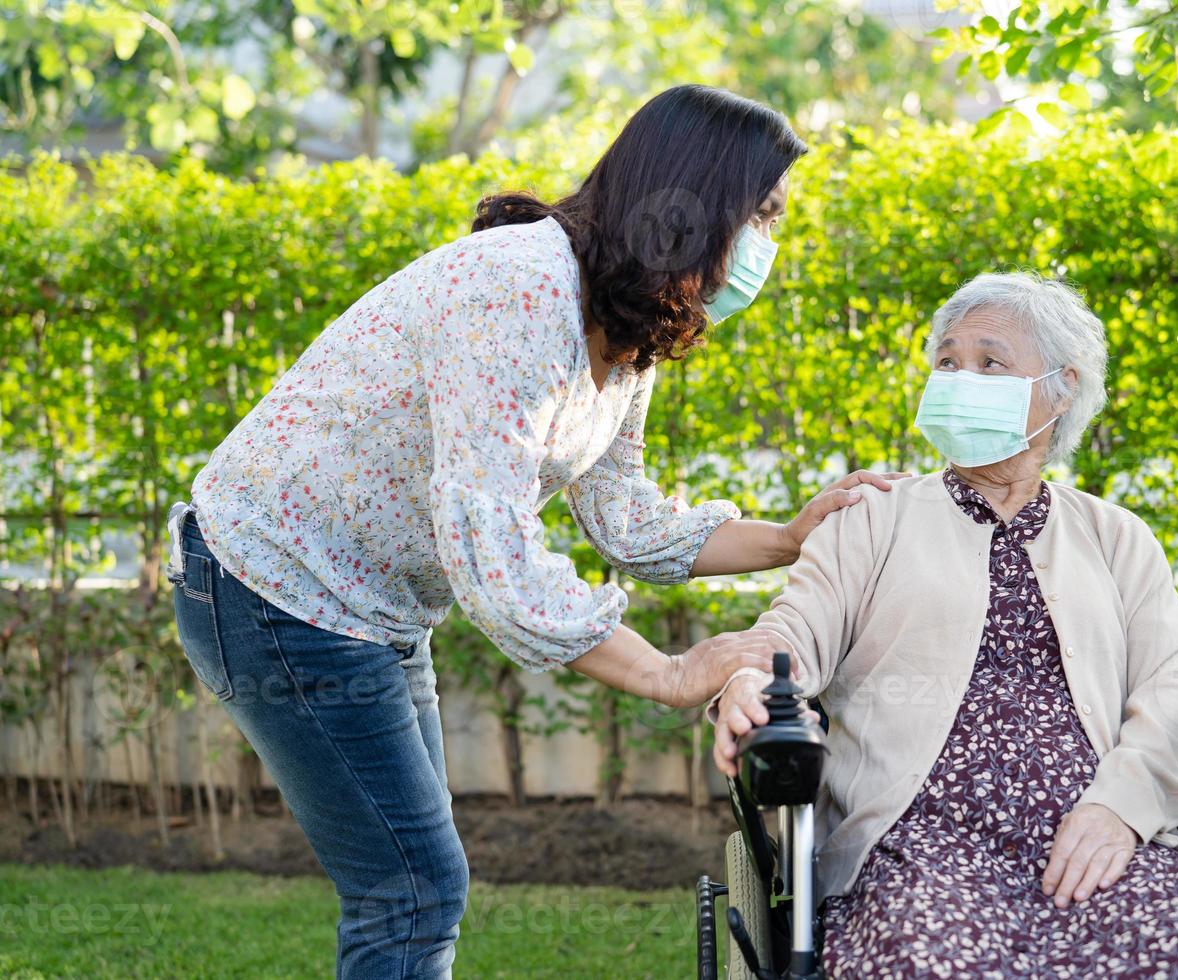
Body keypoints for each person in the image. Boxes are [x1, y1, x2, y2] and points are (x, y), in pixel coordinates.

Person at [166, 84, 903, 979]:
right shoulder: (521, 289)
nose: (765, 245)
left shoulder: (625, 324)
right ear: (693, 199)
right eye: (762, 214)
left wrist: (790, 536)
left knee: (415, 888)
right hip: (274, 591)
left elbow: (627, 520)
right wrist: (671, 674)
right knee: (412, 891)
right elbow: (496, 556)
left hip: (369, 607)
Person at [709, 272, 1178, 978]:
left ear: (1061, 390)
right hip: (918, 839)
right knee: (929, 957)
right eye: (947, 362)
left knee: (1177, 949)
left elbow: (1167, 690)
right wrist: (751, 676)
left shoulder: (1119, 538)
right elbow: (794, 631)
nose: (961, 379)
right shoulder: (871, 517)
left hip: (1089, 831)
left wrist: (1120, 809)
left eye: (991, 363)